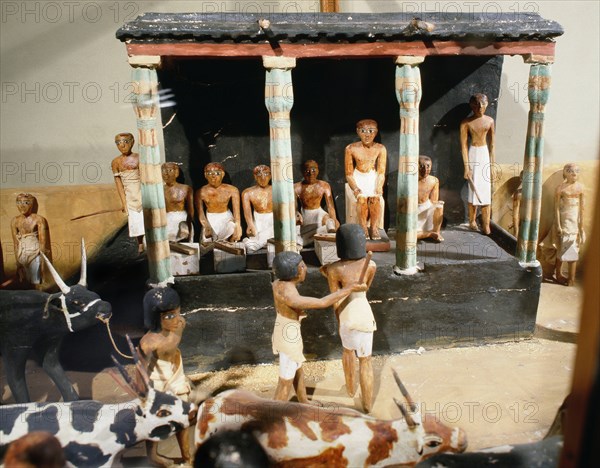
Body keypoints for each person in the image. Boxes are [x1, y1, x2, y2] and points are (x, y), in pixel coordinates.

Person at [271, 251, 364, 403]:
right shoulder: (290, 295)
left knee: (296, 367)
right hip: (288, 335)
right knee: (285, 381)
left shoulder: (278, 283)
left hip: (284, 328)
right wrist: (348, 289)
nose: (305, 268)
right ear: (296, 271)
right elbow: (322, 303)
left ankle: (303, 402)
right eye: (302, 265)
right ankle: (273, 419)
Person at [320, 224, 377, 412]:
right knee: (366, 360)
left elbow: (335, 299)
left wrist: (339, 320)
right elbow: (365, 289)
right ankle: (367, 405)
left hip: (347, 314)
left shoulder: (335, 269)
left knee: (347, 352)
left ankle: (351, 390)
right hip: (365, 314)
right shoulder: (371, 265)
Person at [139, 287, 192, 466]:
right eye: (169, 316)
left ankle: (187, 456)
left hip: (176, 375)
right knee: (154, 421)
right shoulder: (148, 343)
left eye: (177, 313)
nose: (177, 319)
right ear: (155, 319)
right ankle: (152, 455)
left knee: (183, 418)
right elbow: (140, 369)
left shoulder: (180, 325)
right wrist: (143, 393)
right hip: (157, 381)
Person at [460, 93, 496, 235]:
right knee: (472, 188)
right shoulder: (466, 123)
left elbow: (493, 145)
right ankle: (472, 220)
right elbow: (463, 145)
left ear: (487, 105)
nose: (480, 108)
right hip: (473, 153)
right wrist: (466, 166)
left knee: (485, 189)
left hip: (484, 154)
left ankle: (486, 224)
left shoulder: (490, 121)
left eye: (483, 105)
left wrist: (492, 165)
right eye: (476, 105)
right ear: (472, 106)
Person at [345, 119, 387, 240]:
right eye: (363, 131)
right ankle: (363, 227)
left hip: (372, 177)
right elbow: (348, 174)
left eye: (370, 131)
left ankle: (373, 227)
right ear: (357, 132)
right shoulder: (351, 148)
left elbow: (381, 172)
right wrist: (355, 187)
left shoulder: (380, 148)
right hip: (358, 177)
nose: (367, 134)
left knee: (375, 199)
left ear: (376, 132)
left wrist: (379, 186)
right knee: (362, 199)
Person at [548, 163, 586, 286]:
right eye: (570, 171)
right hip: (564, 222)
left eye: (576, 171)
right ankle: (558, 274)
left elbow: (582, 209)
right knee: (561, 248)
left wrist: (581, 227)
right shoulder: (560, 188)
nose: (574, 173)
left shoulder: (580, 188)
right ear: (565, 173)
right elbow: (556, 208)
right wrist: (558, 225)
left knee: (573, 250)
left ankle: (571, 279)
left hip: (575, 222)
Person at [111, 132, 145, 253]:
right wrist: (124, 202)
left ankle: (149, 241)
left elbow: (145, 177)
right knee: (135, 219)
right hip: (129, 195)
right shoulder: (116, 162)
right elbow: (118, 183)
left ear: (132, 142)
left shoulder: (139, 157)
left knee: (146, 218)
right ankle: (140, 242)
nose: (122, 145)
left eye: (125, 141)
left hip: (141, 191)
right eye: (118, 143)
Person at [294, 160, 339, 246]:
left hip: (319, 213)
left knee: (329, 222)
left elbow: (330, 206)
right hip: (305, 215)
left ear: (318, 171)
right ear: (303, 172)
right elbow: (294, 207)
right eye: (307, 171)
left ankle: (332, 240)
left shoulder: (324, 185)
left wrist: (334, 220)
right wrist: (296, 213)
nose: (311, 173)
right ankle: (305, 241)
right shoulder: (297, 187)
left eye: (313, 170)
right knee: (298, 234)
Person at [10, 193, 51, 288]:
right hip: (22, 251)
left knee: (35, 277)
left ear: (31, 204)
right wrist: (17, 260)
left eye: (26, 202)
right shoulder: (15, 221)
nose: (22, 206)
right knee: (24, 277)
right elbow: (15, 243)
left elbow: (42, 241)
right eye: (19, 202)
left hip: (35, 251)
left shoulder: (38, 219)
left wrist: (42, 259)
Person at [195, 162, 242, 243]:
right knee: (207, 243)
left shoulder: (232, 190)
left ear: (222, 174)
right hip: (210, 218)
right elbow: (200, 213)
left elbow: (237, 212)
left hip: (226, 217)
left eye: (217, 173)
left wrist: (238, 226)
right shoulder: (201, 192)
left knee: (232, 227)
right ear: (205, 175)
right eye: (210, 173)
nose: (213, 176)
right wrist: (206, 225)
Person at [242, 165, 274, 253]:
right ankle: (260, 242)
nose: (263, 177)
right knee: (253, 243)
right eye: (259, 174)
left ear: (270, 175)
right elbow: (247, 212)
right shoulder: (247, 193)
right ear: (255, 176)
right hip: (259, 220)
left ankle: (257, 243)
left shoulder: (276, 190)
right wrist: (250, 224)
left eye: (266, 174)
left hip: (273, 219)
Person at [162, 162, 194, 243]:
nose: (166, 173)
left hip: (182, 218)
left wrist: (188, 223)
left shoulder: (185, 189)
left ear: (176, 173)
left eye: (169, 170)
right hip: (166, 219)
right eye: (163, 170)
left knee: (183, 232)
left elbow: (191, 211)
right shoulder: (160, 190)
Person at [417, 156, 445, 242]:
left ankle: (436, 232)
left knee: (439, 206)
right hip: (414, 210)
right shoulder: (411, 179)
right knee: (409, 236)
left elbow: (434, 201)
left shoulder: (434, 180)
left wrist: (438, 204)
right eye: (422, 166)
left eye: (428, 166)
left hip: (426, 208)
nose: (425, 169)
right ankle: (429, 234)